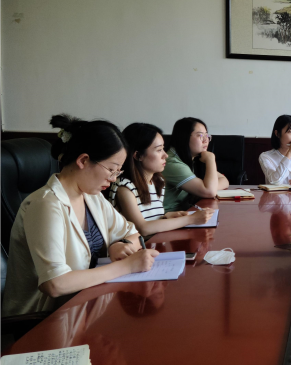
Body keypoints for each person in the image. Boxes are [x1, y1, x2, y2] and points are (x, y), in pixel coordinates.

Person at [2, 114, 159, 317]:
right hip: (43, 319)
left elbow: (133, 233)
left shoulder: (92, 196)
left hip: (86, 307)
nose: (113, 179)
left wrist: (119, 245)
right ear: (83, 160)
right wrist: (126, 266)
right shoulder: (46, 205)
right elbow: (55, 284)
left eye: (118, 172)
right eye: (111, 170)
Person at [109, 122, 215, 235]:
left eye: (163, 149)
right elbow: (143, 228)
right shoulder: (124, 187)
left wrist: (165, 217)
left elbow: (150, 220)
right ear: (138, 155)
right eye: (159, 150)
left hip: (157, 242)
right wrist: (191, 219)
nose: (165, 155)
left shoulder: (158, 181)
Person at [162, 117, 229, 212]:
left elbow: (224, 180)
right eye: (200, 135)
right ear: (184, 137)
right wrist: (211, 159)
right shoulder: (172, 163)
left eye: (207, 135)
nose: (206, 140)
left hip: (185, 212)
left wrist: (209, 188)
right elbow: (210, 192)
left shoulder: (194, 157)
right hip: (167, 217)